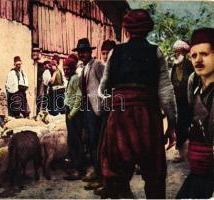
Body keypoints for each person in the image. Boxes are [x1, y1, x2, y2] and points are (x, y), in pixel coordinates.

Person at [98, 9, 177, 198]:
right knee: (154, 173)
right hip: (147, 118)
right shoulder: (155, 52)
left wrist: (114, 105)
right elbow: (166, 92)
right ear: (148, 29)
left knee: (116, 172)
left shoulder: (115, 53)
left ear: (127, 29)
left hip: (120, 117)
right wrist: (172, 124)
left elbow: (102, 89)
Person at [176, 27, 214, 199]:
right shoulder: (194, 82)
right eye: (194, 55)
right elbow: (191, 113)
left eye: (204, 54)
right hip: (199, 167)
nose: (198, 60)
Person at [73, 38, 105, 190]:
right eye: (80, 52)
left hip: (97, 109)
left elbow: (106, 83)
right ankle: (96, 172)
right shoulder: (84, 68)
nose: (82, 54)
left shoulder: (97, 64)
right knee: (90, 141)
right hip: (87, 108)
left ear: (90, 52)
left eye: (84, 52)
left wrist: (105, 105)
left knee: (97, 141)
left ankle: (102, 177)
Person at [170, 40, 194, 163]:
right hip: (177, 101)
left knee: (190, 124)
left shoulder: (190, 65)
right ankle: (180, 152)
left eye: (178, 52)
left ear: (184, 52)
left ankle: (191, 151)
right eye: (175, 52)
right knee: (179, 125)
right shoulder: (174, 66)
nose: (176, 54)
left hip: (189, 101)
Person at [62, 55, 85, 180]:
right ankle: (75, 166)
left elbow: (79, 97)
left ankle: (79, 169)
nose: (66, 71)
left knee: (76, 141)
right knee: (72, 141)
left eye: (68, 69)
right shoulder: (71, 79)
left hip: (74, 114)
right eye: (64, 69)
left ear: (73, 69)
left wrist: (72, 113)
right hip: (69, 111)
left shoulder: (75, 78)